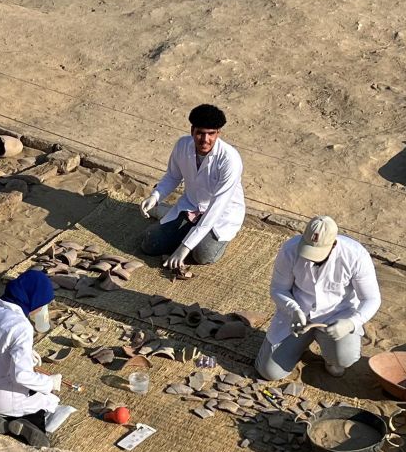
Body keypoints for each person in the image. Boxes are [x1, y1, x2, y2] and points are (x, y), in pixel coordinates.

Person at [256, 216, 381, 380]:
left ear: (334, 244)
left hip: (337, 315)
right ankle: (300, 347)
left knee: (345, 358)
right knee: (269, 372)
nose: (311, 258)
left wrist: (352, 322)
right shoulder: (289, 250)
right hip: (299, 314)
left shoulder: (355, 255)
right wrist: (293, 309)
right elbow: (279, 289)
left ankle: (331, 359)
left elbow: (372, 299)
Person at [140, 104, 244, 274]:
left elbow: (217, 208)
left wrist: (184, 248)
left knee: (203, 255)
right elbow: (173, 176)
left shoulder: (230, 160)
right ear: (192, 131)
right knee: (150, 244)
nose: (205, 140)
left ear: (218, 133)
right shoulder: (182, 146)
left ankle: (189, 230)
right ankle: (167, 213)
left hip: (221, 214)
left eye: (211, 134)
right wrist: (156, 196)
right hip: (191, 205)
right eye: (200, 133)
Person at [0, 268, 60, 447]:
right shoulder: (20, 326)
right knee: (47, 399)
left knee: (24, 386)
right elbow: (21, 376)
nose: (42, 309)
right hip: (0, 398)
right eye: (43, 304)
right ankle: (22, 422)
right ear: (35, 299)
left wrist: (26, 355)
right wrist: (49, 383)